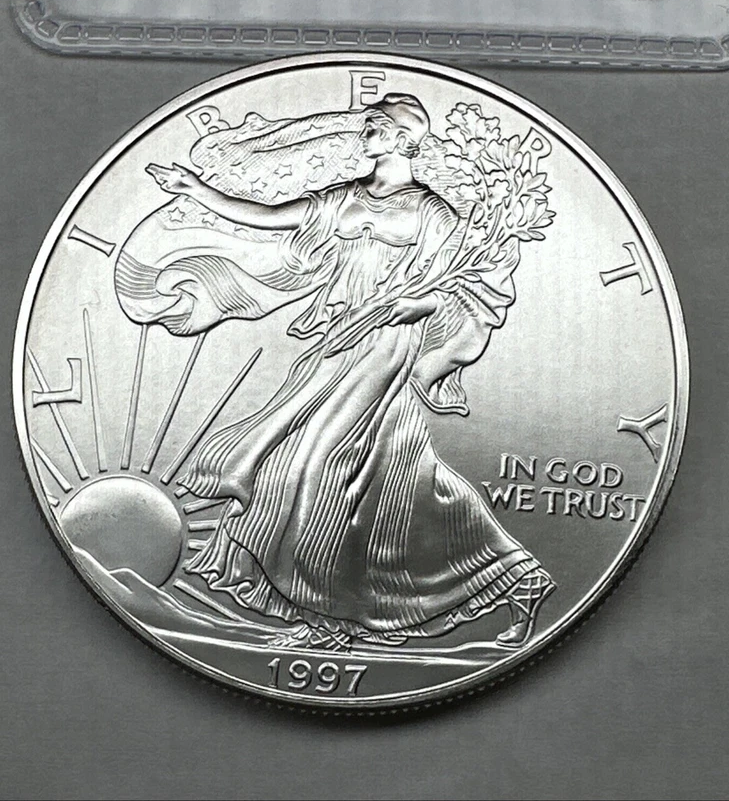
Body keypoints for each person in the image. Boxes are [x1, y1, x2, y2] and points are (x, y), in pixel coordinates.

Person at [146, 92, 554, 649]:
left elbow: (458, 286)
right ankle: (511, 578)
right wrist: (197, 190)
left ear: (404, 140)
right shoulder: (344, 197)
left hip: (387, 343)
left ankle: (329, 619)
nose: (365, 135)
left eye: (376, 127)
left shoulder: (432, 213)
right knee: (390, 478)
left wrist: (419, 303)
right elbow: (269, 217)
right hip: (339, 339)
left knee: (317, 462)